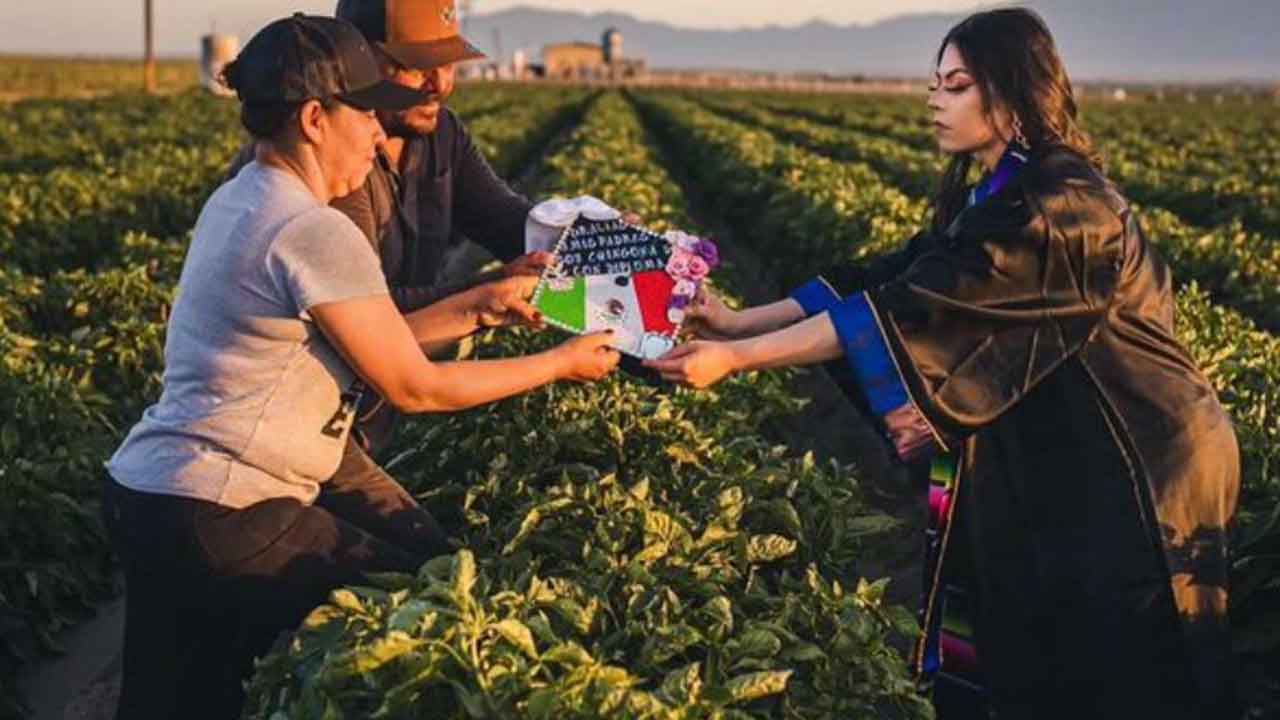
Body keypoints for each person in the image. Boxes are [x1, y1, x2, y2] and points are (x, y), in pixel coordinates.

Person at [648, 9, 1239, 719]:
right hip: (1066, 449)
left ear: (1013, 93)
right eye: (936, 82)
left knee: (1123, 662)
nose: (935, 98)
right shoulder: (996, 191)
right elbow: (890, 281)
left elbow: (909, 310)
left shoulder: (1060, 207)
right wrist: (738, 321)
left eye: (956, 84)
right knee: (1040, 632)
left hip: (1139, 459)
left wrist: (737, 358)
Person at [101, 15, 619, 719]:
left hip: (150, 496)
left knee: (177, 701)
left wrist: (483, 305)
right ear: (315, 118)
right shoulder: (316, 228)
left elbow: (380, 335)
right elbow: (415, 384)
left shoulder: (246, 196)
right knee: (426, 601)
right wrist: (560, 362)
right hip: (225, 509)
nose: (380, 134)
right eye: (367, 117)